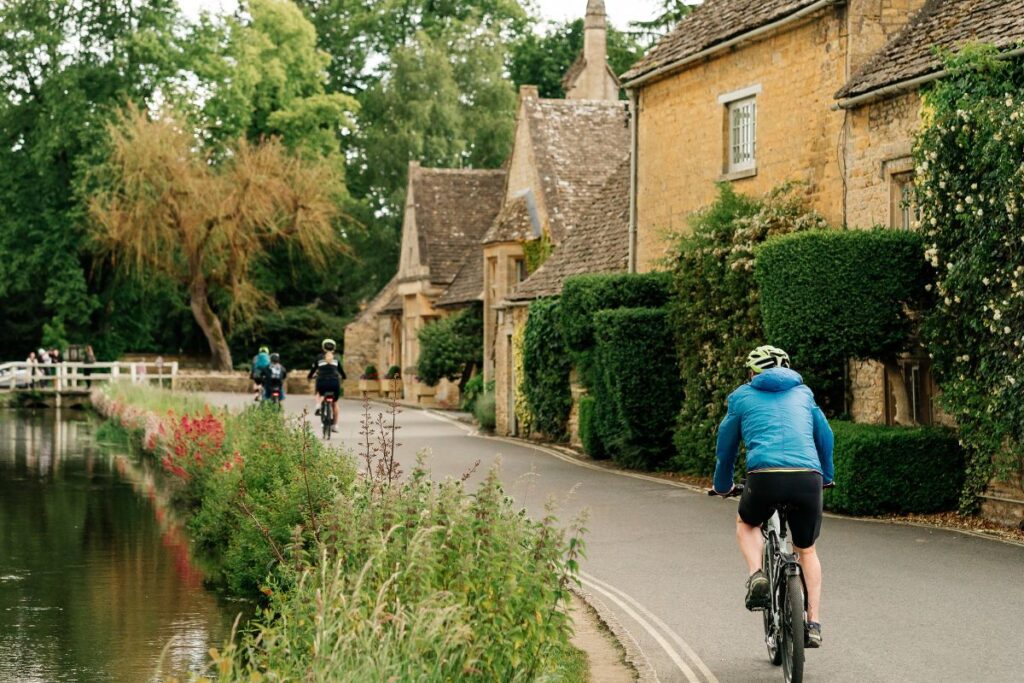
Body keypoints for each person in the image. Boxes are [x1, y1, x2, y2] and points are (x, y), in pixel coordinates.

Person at [711, 345, 834, 648]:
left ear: (752, 372)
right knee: (807, 550)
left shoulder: (741, 397)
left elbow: (725, 449)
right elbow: (825, 436)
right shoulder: (804, 394)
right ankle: (814, 623)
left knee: (747, 523)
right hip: (808, 478)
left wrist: (723, 485)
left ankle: (756, 575)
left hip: (763, 477)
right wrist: (826, 477)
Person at [308, 338, 345, 431]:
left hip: (322, 382)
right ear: (334, 348)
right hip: (334, 383)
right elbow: (342, 372)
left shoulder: (319, 357)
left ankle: (318, 404)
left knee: (319, 393)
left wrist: (309, 377)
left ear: (323, 347)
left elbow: (313, 370)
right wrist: (344, 378)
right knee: (335, 403)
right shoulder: (336, 358)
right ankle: (335, 426)